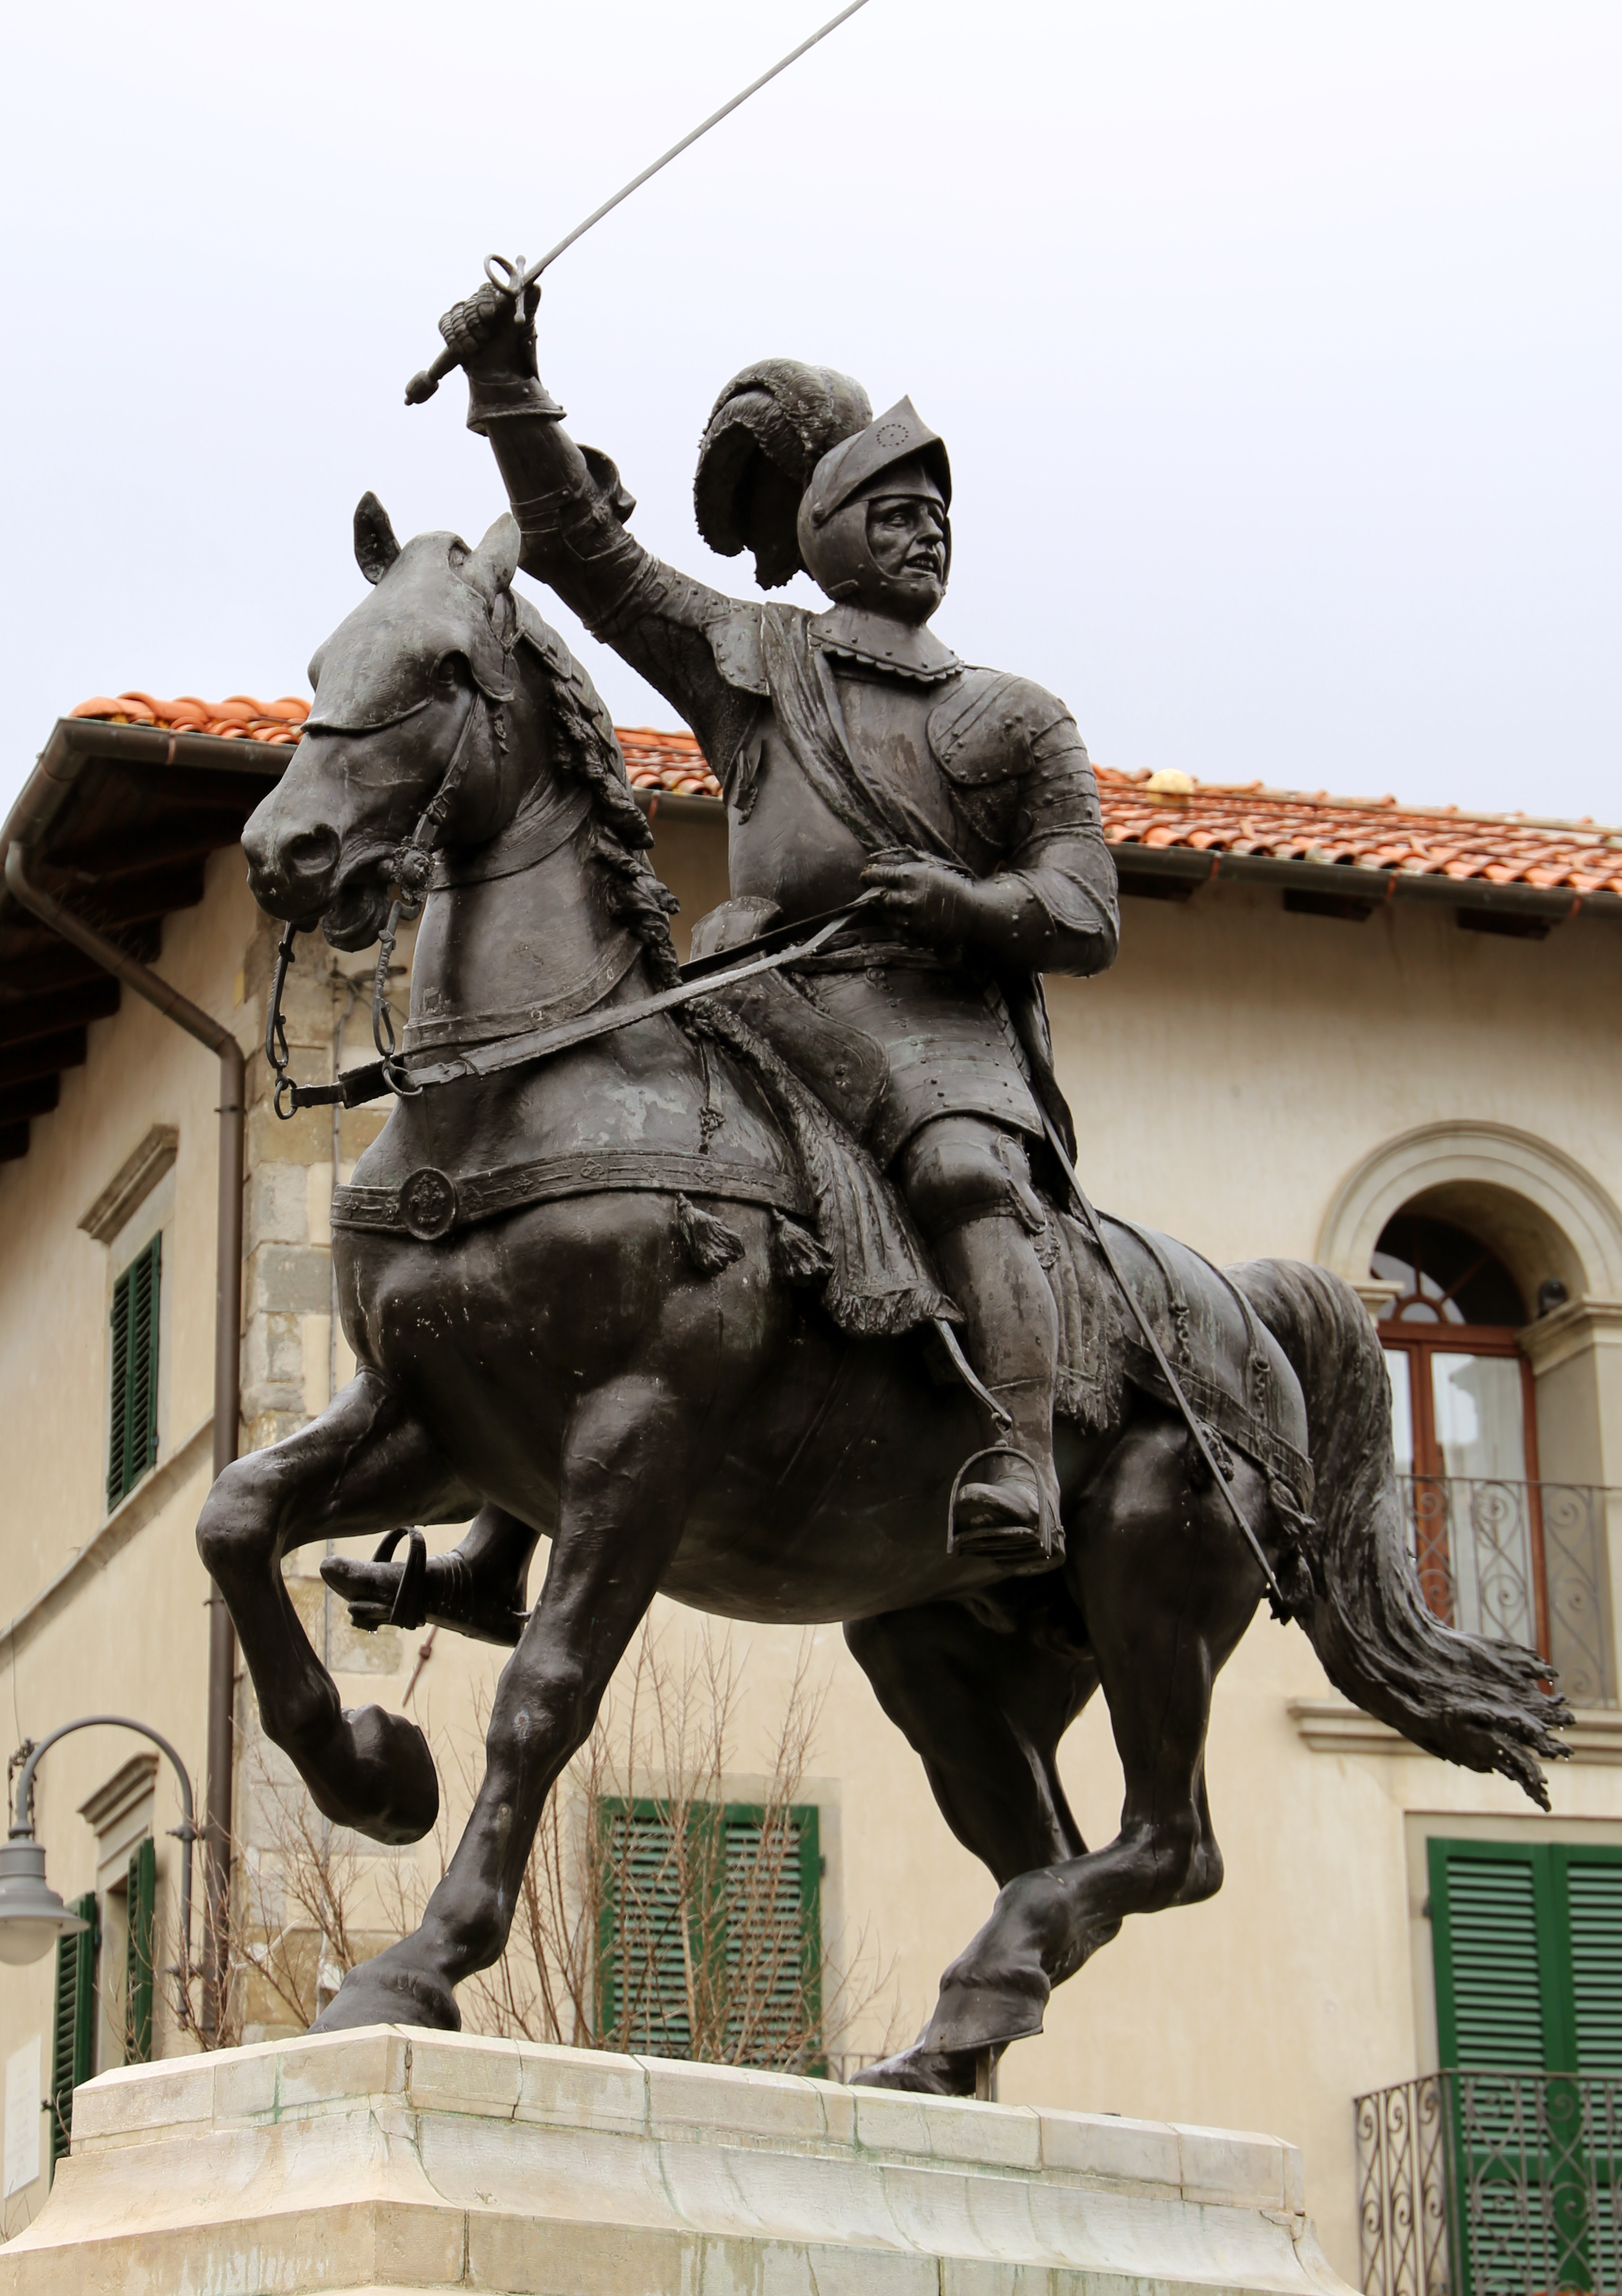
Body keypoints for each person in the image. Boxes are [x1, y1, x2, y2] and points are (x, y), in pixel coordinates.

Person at [433, 279, 1119, 1572]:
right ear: (829, 533)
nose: (926, 539)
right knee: (614, 1199)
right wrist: (509, 382)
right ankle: (502, 1538)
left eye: (937, 520)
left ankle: (1021, 1460)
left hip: (929, 1009)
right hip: (753, 991)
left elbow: (1084, 906)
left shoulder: (1022, 714)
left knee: (965, 1175)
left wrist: (967, 904)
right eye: (897, 517)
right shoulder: (749, 653)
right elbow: (585, 551)